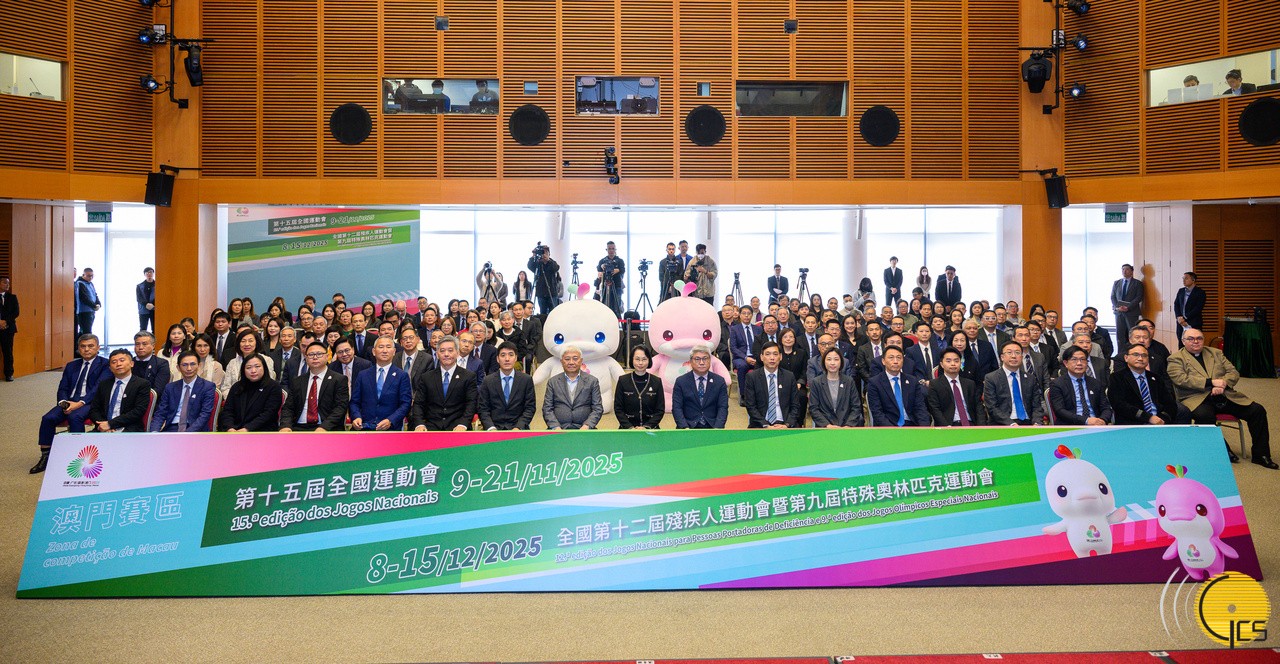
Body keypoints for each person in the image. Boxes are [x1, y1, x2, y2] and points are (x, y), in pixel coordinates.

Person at [1168, 328, 1274, 468]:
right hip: (1196, 398)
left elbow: (1233, 372)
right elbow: (1181, 379)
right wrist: (1211, 383)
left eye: (1199, 338)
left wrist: (1223, 383)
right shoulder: (1175, 358)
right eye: (1190, 339)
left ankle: (1261, 455)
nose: (1195, 341)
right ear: (1183, 341)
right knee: (1204, 416)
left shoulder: (1215, 353)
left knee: (1257, 410)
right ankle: (1224, 449)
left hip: (1224, 395)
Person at [32, 334, 108, 473]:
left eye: (90, 346)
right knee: (48, 418)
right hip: (68, 402)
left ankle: (79, 456)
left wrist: (79, 404)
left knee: (75, 417)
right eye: (83, 346)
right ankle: (46, 456)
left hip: (90, 402)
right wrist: (64, 403)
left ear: (98, 347)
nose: (86, 349)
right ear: (78, 348)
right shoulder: (71, 365)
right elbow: (63, 387)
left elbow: (97, 389)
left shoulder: (105, 364)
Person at [411, 335, 478, 432]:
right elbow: (418, 404)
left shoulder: (468, 376)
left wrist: (463, 424)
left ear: (457, 353)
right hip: (431, 428)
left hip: (458, 428)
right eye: (442, 351)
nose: (446, 354)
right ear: (437, 354)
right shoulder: (426, 377)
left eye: (450, 350)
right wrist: (419, 424)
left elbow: (471, 403)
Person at [280, 342, 349, 432]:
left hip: (327, 428)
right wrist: (286, 426)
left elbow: (340, 408)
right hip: (299, 428)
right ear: (306, 358)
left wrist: (324, 427)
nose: (315, 357)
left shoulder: (339, 380)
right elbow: (288, 408)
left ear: (327, 356)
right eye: (311, 354)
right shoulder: (297, 381)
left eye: (319, 354)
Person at [350, 337, 413, 431]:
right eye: (381, 347)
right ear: (374, 351)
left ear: (394, 351)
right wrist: (356, 417)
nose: (384, 351)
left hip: (391, 429)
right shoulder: (363, 375)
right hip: (365, 427)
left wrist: (390, 420)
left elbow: (405, 403)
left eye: (388, 347)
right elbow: (354, 402)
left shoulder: (402, 376)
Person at [1108, 343, 1178, 426]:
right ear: (1126, 358)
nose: (1140, 358)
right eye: (1136, 355)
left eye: (1144, 355)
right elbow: (1119, 404)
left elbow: (1170, 403)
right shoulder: (1117, 378)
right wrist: (1148, 418)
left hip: (1159, 422)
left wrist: (1162, 419)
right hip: (1133, 423)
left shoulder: (1156, 378)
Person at [149, 350, 218, 433]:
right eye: (184, 365)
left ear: (199, 365)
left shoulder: (207, 387)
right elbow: (161, 413)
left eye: (192, 364)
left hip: (196, 430)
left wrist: (186, 434)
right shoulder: (170, 387)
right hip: (172, 429)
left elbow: (205, 415)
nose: (189, 368)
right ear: (178, 368)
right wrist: (154, 432)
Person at [88, 349, 152, 433]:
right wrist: (103, 425)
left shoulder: (142, 384)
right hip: (104, 428)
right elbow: (94, 409)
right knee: (83, 440)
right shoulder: (104, 384)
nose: (118, 364)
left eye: (122, 360)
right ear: (110, 368)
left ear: (131, 364)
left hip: (129, 428)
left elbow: (138, 411)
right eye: (114, 362)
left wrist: (110, 424)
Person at [477, 341, 537, 431]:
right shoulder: (488, 380)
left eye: (511, 355)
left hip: (518, 429)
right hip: (494, 428)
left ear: (516, 358)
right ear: (497, 359)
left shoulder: (526, 380)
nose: (507, 359)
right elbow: (483, 409)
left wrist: (518, 427)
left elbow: (530, 408)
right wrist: (491, 428)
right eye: (503, 355)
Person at [983, 340, 1045, 426]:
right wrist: (1012, 424)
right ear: (1002, 357)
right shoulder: (991, 378)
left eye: (1017, 353)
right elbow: (992, 408)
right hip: (1003, 424)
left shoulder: (1030, 378)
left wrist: (1037, 423)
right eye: (1009, 352)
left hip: (1028, 423)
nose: (1013, 356)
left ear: (1021, 357)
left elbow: (1037, 406)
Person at [1049, 345, 1113, 426]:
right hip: (1071, 426)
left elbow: (1106, 408)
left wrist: (1103, 420)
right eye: (1074, 359)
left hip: (1096, 425)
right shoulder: (1057, 384)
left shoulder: (1095, 383)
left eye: (1082, 359)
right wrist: (1086, 420)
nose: (1079, 363)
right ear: (1066, 363)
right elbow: (1060, 411)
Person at [218, 353, 284, 432]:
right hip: (235, 430)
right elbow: (228, 411)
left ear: (264, 367)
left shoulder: (273, 387)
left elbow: (268, 414)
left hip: (262, 431)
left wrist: (247, 429)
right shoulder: (237, 387)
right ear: (243, 370)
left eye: (257, 366)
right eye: (248, 367)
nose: (253, 371)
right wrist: (230, 428)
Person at [743, 342, 801, 428]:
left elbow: (795, 405)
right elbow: (750, 406)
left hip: (784, 424)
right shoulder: (752, 377)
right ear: (761, 357)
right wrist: (765, 425)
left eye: (775, 354)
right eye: (768, 354)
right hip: (761, 424)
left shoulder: (789, 376)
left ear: (780, 357)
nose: (772, 358)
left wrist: (787, 424)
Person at [866, 345, 928, 427]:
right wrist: (893, 431)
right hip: (888, 426)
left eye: (899, 358)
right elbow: (877, 413)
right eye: (891, 358)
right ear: (883, 361)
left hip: (911, 425)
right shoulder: (875, 383)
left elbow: (920, 408)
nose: (895, 361)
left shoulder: (912, 381)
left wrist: (924, 428)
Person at [542, 346, 603, 430]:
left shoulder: (592, 381)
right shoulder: (553, 382)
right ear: (561, 362)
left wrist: (587, 425)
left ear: (581, 361)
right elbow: (547, 408)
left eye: (575, 359)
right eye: (567, 359)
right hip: (559, 428)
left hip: (585, 428)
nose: (571, 362)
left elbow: (597, 408)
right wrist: (555, 426)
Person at [668, 345, 728, 429]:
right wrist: (684, 427)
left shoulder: (719, 381)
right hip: (688, 426)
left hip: (712, 426)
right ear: (690, 361)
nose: (701, 362)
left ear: (710, 360)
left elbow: (723, 407)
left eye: (705, 358)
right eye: (697, 359)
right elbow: (677, 408)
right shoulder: (681, 381)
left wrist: (717, 428)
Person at [927, 348, 985, 426]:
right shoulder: (935, 384)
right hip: (949, 425)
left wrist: (981, 426)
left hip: (971, 425)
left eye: (956, 361)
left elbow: (978, 407)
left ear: (960, 363)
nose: (953, 364)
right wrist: (946, 427)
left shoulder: (970, 384)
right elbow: (935, 409)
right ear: (942, 364)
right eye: (948, 361)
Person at [808, 348, 862, 428]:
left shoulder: (849, 381)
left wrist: (848, 425)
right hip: (825, 427)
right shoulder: (817, 382)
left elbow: (856, 406)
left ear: (841, 362)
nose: (832, 363)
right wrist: (827, 425)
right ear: (824, 362)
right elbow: (813, 409)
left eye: (836, 359)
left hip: (846, 426)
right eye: (829, 359)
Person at [615, 346, 667, 429]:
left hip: (651, 428)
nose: (640, 363)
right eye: (637, 359)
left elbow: (660, 410)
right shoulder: (623, 380)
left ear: (649, 360)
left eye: (644, 359)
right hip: (627, 428)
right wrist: (630, 427)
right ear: (632, 360)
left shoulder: (657, 381)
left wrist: (647, 427)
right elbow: (618, 409)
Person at [220, 328, 276, 396]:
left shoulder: (266, 360)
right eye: (243, 341)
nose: (247, 344)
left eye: (250, 341)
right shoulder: (232, 363)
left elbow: (269, 386)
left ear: (256, 342)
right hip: (237, 398)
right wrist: (235, 399)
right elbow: (225, 388)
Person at [1111, 263, 1144, 353]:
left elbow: (1139, 297)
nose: (1124, 271)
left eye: (1127, 269)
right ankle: (1121, 355)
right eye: (1123, 269)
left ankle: (1133, 352)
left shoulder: (1138, 283)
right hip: (1119, 313)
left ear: (1132, 271)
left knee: (1132, 334)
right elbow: (1113, 296)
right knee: (1120, 335)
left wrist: (1128, 307)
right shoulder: (1117, 283)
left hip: (1131, 313)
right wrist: (1117, 307)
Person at [1173, 271, 1206, 347]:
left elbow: (1198, 308)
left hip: (1193, 322)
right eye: (1183, 278)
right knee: (1181, 344)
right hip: (1180, 323)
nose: (1184, 280)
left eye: (1186, 278)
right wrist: (1178, 317)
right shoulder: (1181, 291)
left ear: (1193, 280)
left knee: (1194, 345)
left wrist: (1185, 318)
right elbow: (1176, 304)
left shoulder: (1200, 292)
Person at [527, 245, 563, 315]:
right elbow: (530, 266)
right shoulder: (538, 264)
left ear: (549, 254)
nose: (544, 254)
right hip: (541, 293)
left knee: (553, 312)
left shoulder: (552, 262)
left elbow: (556, 268)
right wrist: (533, 256)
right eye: (543, 252)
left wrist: (548, 260)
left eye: (546, 252)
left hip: (552, 292)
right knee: (542, 312)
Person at [595, 241, 625, 317]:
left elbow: (623, 270)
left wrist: (617, 270)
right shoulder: (602, 261)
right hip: (605, 286)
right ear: (607, 249)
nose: (611, 250)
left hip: (617, 286)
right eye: (609, 249)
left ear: (615, 249)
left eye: (613, 248)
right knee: (604, 305)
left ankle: (617, 321)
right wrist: (601, 267)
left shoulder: (620, 261)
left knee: (617, 306)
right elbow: (599, 271)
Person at [74, 267, 101, 344]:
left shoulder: (90, 283)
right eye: (88, 276)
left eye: (92, 276)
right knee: (86, 332)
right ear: (83, 275)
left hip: (91, 311)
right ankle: (85, 347)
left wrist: (98, 304)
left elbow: (95, 295)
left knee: (85, 331)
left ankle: (79, 347)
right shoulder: (79, 283)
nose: (91, 277)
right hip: (83, 312)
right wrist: (94, 306)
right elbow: (84, 298)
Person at [0, 276, 18, 381]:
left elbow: (16, 312)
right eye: (4, 283)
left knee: (8, 352)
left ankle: (9, 374)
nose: (7, 285)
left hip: (8, 329)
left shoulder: (12, 297)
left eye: (8, 283)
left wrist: (5, 321)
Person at [135, 267, 155, 332]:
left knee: (155, 328)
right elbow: (139, 298)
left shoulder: (158, 285)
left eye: (150, 272)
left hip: (154, 309)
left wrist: (153, 304)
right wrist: (146, 304)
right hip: (143, 310)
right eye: (147, 272)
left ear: (153, 273)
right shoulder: (139, 286)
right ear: (144, 274)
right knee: (143, 329)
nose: (149, 274)